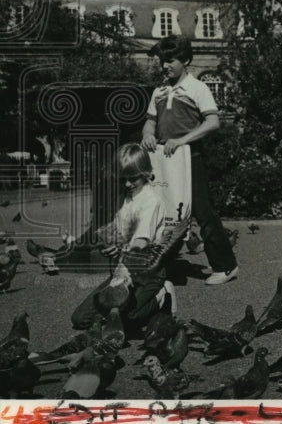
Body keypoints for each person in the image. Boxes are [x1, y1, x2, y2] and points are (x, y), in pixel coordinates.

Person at [142, 35, 238, 285]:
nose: (165, 66)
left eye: (170, 61)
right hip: (163, 163)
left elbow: (213, 122)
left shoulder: (198, 88)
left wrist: (183, 140)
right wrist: (148, 135)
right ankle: (164, 266)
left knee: (202, 213)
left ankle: (226, 267)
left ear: (185, 60)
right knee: (165, 214)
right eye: (163, 61)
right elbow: (150, 122)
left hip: (190, 159)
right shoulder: (159, 91)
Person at [71, 144, 176, 334]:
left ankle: (162, 294)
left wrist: (120, 248)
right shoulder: (124, 197)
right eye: (122, 179)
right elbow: (119, 232)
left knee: (129, 318)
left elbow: (141, 242)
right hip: (123, 273)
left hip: (148, 274)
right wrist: (109, 241)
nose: (127, 184)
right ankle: (119, 308)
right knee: (80, 319)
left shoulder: (151, 201)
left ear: (146, 173)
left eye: (132, 178)